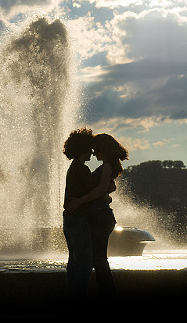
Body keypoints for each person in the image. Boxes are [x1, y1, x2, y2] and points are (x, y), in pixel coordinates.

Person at [66, 133, 128, 301]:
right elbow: (104, 190)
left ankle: (107, 297)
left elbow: (100, 190)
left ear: (103, 148)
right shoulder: (106, 166)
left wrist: (80, 201)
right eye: (91, 149)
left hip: (101, 217)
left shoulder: (106, 166)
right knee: (97, 259)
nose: (93, 153)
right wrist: (107, 195)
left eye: (95, 149)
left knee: (97, 260)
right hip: (100, 216)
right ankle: (107, 296)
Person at [61, 127, 95, 300]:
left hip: (69, 219)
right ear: (84, 148)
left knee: (74, 261)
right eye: (90, 148)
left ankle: (72, 298)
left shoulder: (73, 167)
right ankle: (79, 300)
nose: (93, 152)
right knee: (84, 262)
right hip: (79, 219)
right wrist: (106, 191)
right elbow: (93, 192)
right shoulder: (82, 169)